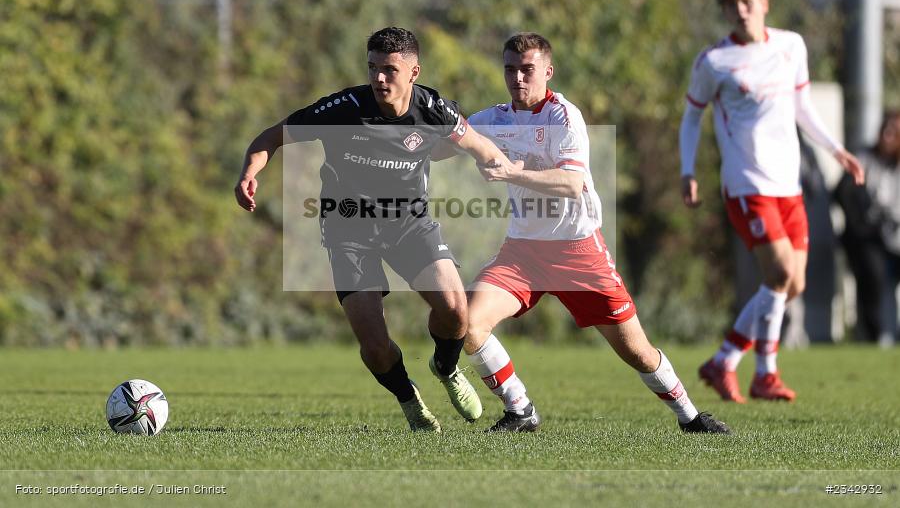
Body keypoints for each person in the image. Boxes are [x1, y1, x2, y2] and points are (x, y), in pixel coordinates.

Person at [435, 32, 730, 434]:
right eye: (510, 69)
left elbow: (573, 183)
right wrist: (410, 127)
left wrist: (512, 171)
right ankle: (520, 410)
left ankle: (692, 417)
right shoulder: (494, 119)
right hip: (523, 253)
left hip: (579, 253)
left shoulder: (563, 116)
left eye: (527, 70)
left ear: (548, 71)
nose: (518, 78)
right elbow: (446, 143)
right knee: (469, 322)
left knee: (638, 352)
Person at [235, 27, 518, 431]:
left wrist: (502, 168)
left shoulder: (434, 109)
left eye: (389, 69)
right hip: (348, 229)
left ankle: (446, 366)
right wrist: (249, 172)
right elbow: (270, 138)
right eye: (372, 68)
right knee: (374, 344)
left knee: (456, 311)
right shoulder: (342, 109)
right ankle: (409, 398)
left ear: (414, 72)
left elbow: (478, 145)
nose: (379, 79)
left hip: (409, 224)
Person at [679, 0, 865, 402]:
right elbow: (692, 117)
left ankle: (725, 359)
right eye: (731, 5)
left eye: (747, 2)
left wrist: (836, 148)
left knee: (791, 285)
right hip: (747, 183)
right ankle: (765, 372)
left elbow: (802, 106)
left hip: (789, 182)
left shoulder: (790, 45)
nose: (740, 11)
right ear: (724, 11)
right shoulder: (715, 61)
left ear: (765, 3)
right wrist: (687, 171)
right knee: (779, 274)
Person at [835, 112, 900, 346]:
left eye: (894, 132)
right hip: (869, 238)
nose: (887, 135)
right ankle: (876, 334)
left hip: (896, 237)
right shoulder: (864, 159)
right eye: (886, 129)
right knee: (873, 274)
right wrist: (862, 225)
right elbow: (843, 193)